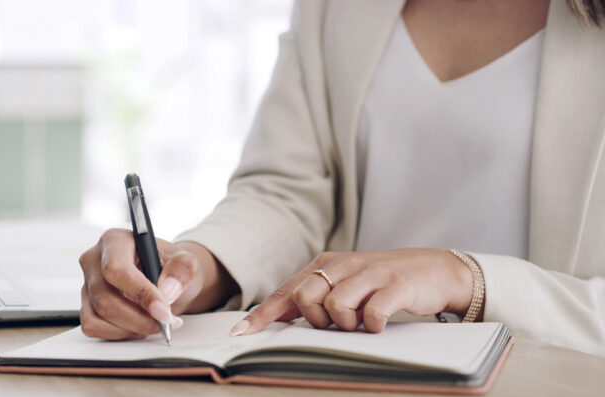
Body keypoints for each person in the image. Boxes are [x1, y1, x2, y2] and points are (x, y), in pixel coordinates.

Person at [78, 0, 605, 357]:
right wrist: (197, 266)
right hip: (351, 367)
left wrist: (463, 277)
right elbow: (288, 191)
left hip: (543, 378)